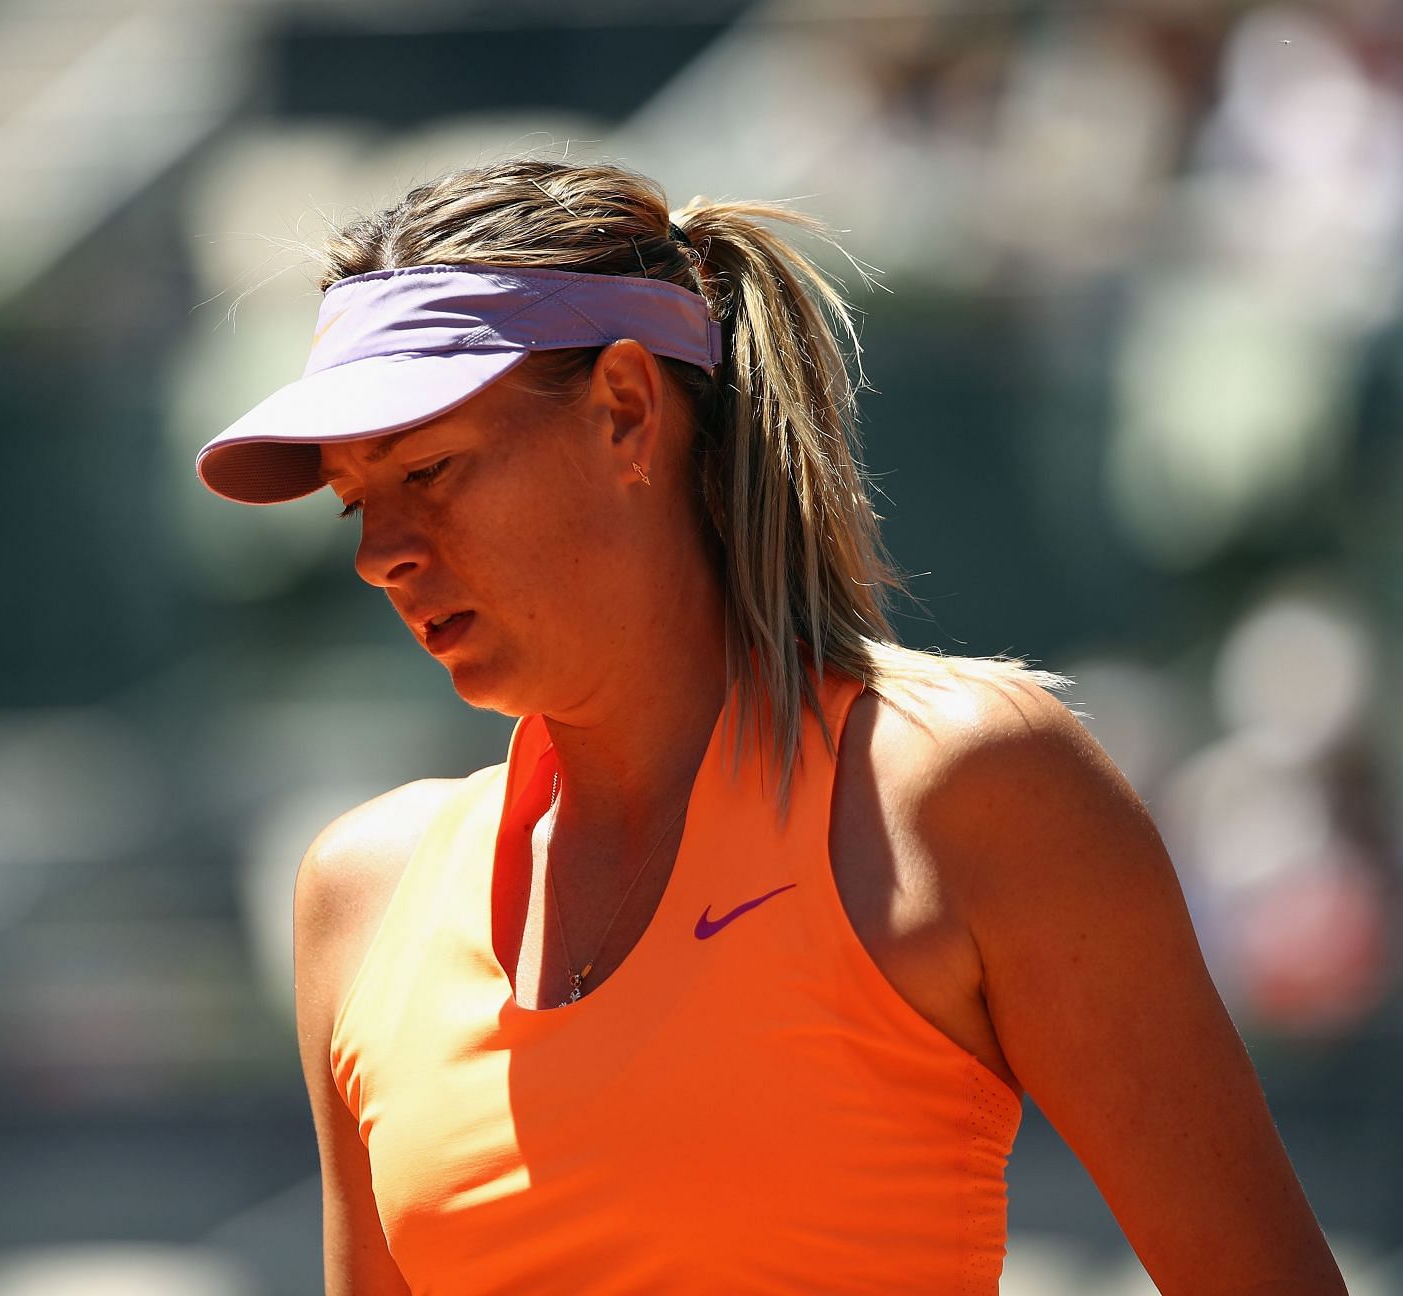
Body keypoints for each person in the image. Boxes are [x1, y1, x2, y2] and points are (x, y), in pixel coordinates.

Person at [194, 159, 1346, 1295]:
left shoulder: (967, 789)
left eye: (430, 470)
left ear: (626, 412)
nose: (376, 555)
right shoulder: (360, 892)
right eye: (357, 500)